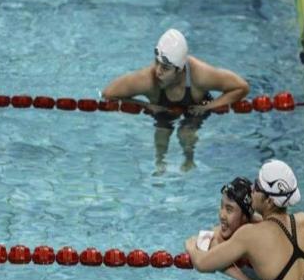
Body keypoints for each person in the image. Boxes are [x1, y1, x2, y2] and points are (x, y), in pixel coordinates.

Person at [102, 28, 249, 173]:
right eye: (157, 62)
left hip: (197, 106)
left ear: (180, 70)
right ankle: (160, 161)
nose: (158, 71)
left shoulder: (200, 75)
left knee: (185, 133)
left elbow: (241, 87)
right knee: (162, 131)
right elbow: (108, 94)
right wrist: (146, 105)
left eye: (165, 68)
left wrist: (209, 106)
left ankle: (189, 159)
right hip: (162, 107)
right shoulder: (147, 79)